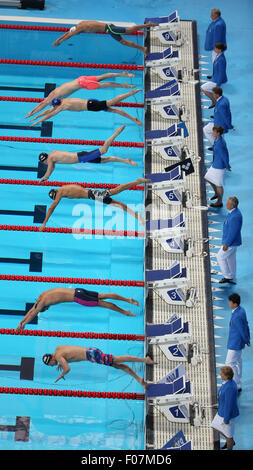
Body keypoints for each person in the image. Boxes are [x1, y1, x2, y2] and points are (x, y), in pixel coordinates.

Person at [38, 176, 149, 230]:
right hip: (92, 195)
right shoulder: (62, 188)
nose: (57, 199)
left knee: (116, 191)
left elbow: (52, 207)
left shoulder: (59, 193)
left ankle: (137, 181)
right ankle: (137, 216)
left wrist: (44, 223)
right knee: (117, 204)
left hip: (93, 195)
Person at [38, 126, 137, 182]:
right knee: (105, 159)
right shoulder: (52, 154)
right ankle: (125, 160)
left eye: (44, 163)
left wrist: (44, 178)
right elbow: (53, 167)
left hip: (82, 157)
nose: (46, 164)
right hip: (82, 157)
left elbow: (50, 169)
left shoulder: (51, 158)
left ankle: (116, 133)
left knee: (103, 150)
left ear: (45, 160)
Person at [15, 287, 139, 332]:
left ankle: (125, 312)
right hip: (79, 290)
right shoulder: (41, 296)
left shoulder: (42, 304)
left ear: (45, 308)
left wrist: (24, 324)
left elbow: (33, 313)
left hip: (78, 298)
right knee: (103, 295)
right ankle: (128, 300)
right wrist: (21, 321)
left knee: (104, 304)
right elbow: (31, 310)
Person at [25, 72, 136, 119]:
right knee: (101, 77)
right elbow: (45, 106)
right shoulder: (54, 93)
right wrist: (34, 112)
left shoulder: (53, 99)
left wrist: (33, 113)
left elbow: (43, 106)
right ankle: (121, 74)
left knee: (103, 85)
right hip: (80, 79)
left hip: (82, 84)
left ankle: (123, 85)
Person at [42, 344, 154, 387]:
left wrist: (62, 374)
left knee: (118, 359)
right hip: (91, 350)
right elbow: (68, 354)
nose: (52, 366)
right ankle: (139, 379)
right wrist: (60, 363)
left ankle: (145, 360)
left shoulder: (58, 357)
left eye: (51, 364)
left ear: (51, 358)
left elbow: (67, 368)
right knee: (118, 365)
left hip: (92, 356)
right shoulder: (58, 349)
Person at [28, 88, 142, 127]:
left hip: (92, 106)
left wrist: (37, 121)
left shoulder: (62, 106)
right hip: (91, 102)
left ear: (56, 105)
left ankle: (130, 93)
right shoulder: (63, 101)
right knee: (114, 110)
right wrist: (36, 116)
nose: (53, 108)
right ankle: (133, 119)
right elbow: (49, 110)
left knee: (112, 103)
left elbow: (49, 114)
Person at [52, 20, 157, 56]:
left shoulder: (80, 28)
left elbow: (69, 35)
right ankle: (143, 49)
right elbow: (68, 32)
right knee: (124, 42)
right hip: (109, 30)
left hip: (110, 29)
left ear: (76, 31)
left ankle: (148, 25)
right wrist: (57, 39)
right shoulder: (79, 24)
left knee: (129, 30)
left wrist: (60, 42)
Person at [225, 293, 250, 393]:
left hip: (235, 343)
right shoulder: (241, 310)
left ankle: (235, 384)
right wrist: (247, 339)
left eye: (230, 302)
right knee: (238, 362)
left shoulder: (237, 316)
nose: (228, 303)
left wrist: (246, 339)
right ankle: (238, 383)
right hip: (238, 343)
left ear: (235, 304)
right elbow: (246, 325)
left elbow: (241, 329)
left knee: (230, 363)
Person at [211, 366, 239, 450]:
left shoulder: (229, 387)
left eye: (222, 374)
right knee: (214, 425)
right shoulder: (227, 383)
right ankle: (230, 440)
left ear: (227, 376)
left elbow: (229, 405)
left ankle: (230, 444)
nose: (220, 375)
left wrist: (226, 419)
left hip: (227, 415)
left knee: (229, 436)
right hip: (222, 411)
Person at [217, 197, 243, 284]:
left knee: (220, 256)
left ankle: (227, 276)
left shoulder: (235, 216)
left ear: (232, 205)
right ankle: (233, 277)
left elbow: (233, 232)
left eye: (227, 203)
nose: (226, 204)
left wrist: (226, 243)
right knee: (231, 259)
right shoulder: (234, 213)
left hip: (230, 243)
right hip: (232, 242)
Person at [205, 126, 231, 208]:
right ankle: (216, 193)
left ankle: (219, 202)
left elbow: (224, 155)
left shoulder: (220, 143)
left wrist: (227, 165)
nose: (212, 133)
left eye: (214, 132)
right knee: (207, 177)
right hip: (216, 164)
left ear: (218, 133)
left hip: (219, 166)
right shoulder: (218, 140)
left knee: (219, 185)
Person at [201, 43, 227, 108]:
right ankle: (215, 99)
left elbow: (221, 72)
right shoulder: (218, 56)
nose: (214, 49)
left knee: (203, 88)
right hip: (214, 78)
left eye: (216, 48)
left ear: (219, 50)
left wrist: (218, 85)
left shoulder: (221, 60)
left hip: (216, 80)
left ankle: (214, 101)